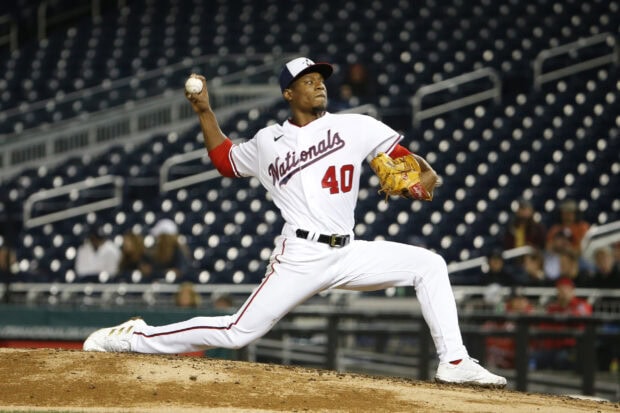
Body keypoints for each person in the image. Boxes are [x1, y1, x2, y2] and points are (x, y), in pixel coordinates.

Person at [83, 57, 506, 387]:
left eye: (321, 77)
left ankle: (454, 362)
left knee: (428, 264)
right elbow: (225, 161)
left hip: (349, 252)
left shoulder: (356, 126)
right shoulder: (269, 141)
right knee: (236, 333)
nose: (319, 83)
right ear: (289, 93)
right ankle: (135, 337)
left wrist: (419, 179)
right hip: (300, 255)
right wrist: (205, 111)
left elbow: (415, 172)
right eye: (308, 79)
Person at [531, 277, 593, 371]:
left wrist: (567, 314)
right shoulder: (552, 308)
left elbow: (584, 318)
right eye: (560, 289)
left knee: (561, 359)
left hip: (572, 348)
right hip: (553, 348)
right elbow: (542, 326)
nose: (563, 292)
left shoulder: (580, 305)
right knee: (534, 357)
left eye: (566, 289)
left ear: (572, 291)